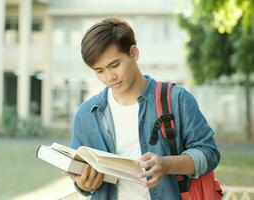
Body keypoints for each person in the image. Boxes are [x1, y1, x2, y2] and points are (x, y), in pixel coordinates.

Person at [66, 18, 220, 200]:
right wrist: (83, 184)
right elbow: (81, 178)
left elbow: (209, 153)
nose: (110, 76)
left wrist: (167, 164)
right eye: (99, 70)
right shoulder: (86, 114)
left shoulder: (176, 99)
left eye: (114, 65)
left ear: (134, 53)